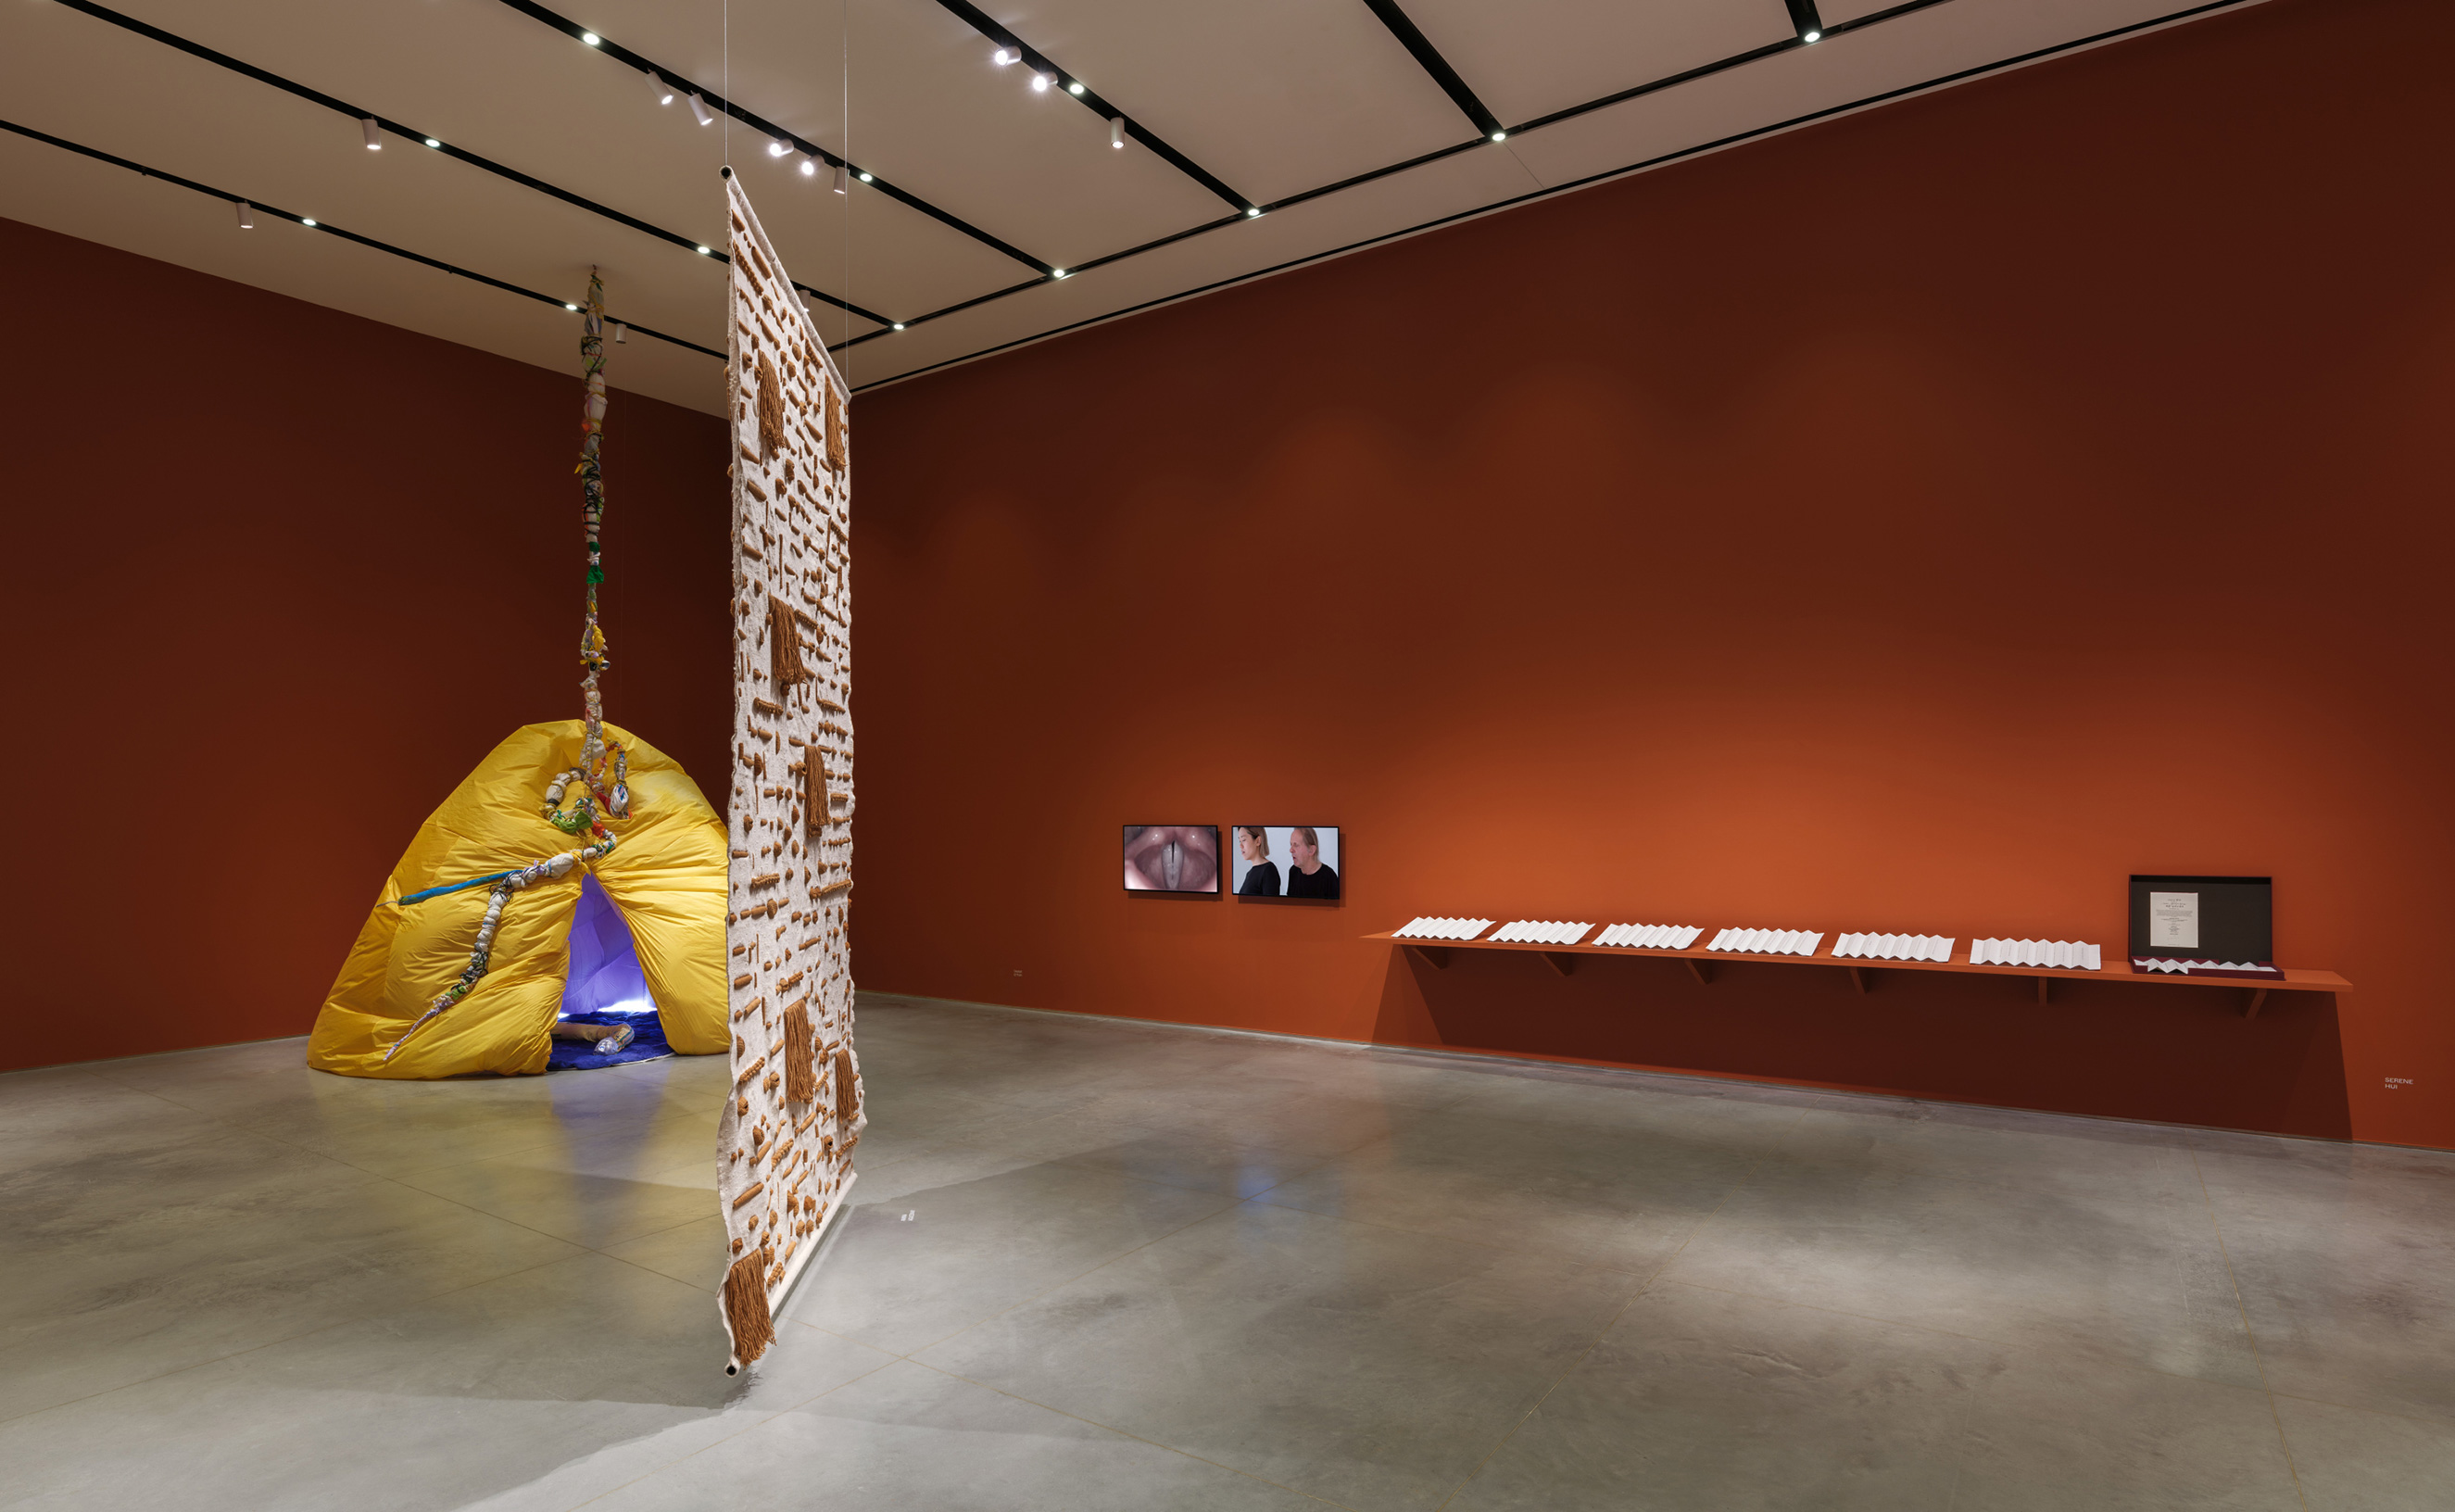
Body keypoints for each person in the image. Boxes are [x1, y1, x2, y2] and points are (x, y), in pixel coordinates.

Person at [1285, 826, 1339, 900]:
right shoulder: (1293, 871)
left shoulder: (1328, 876)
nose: (1291, 850)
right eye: (1291, 844)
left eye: (1296, 845)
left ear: (1311, 850)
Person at [1234, 826, 1280, 897]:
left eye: (1243, 840)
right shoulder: (1249, 873)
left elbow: (1271, 905)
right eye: (1239, 841)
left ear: (1258, 841)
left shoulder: (1268, 870)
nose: (1240, 845)